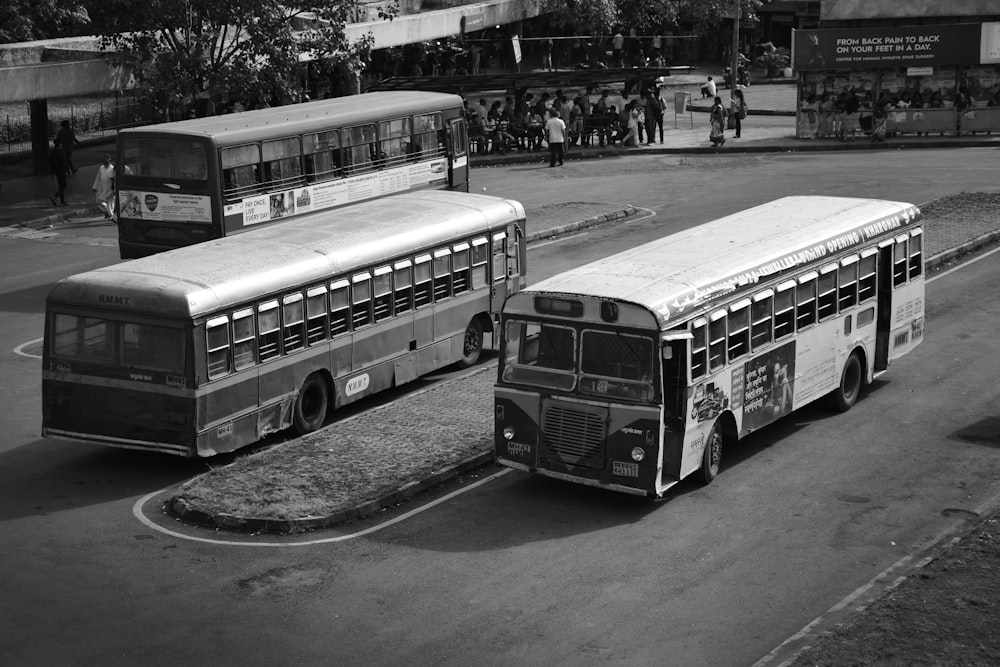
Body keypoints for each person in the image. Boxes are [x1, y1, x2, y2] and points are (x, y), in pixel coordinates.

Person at [92, 154, 116, 220]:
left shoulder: (112, 168)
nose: (105, 162)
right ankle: (108, 212)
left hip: (110, 189)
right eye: (104, 161)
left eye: (106, 161)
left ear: (109, 161)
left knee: (110, 205)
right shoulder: (101, 168)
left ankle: (112, 217)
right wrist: (94, 187)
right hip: (103, 188)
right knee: (99, 201)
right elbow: (98, 177)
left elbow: (115, 179)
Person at [48, 140, 69, 206]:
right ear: (59, 144)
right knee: (64, 186)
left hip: (56, 171)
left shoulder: (52, 152)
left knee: (61, 186)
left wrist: (52, 173)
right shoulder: (61, 152)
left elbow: (51, 163)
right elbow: (64, 162)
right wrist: (66, 171)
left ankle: (62, 201)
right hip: (61, 171)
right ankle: (54, 197)